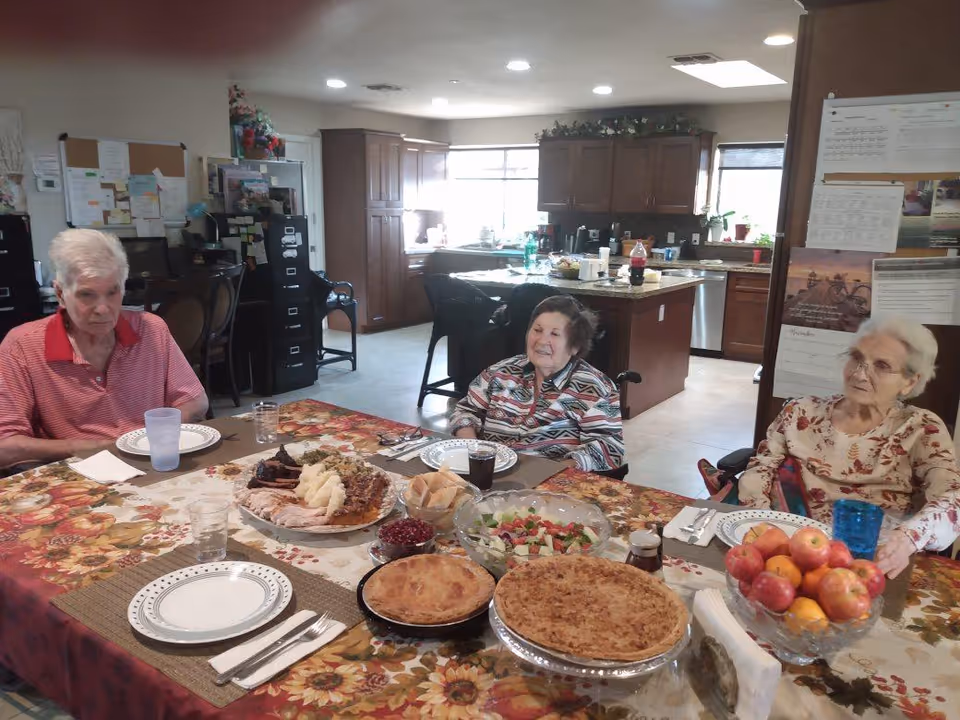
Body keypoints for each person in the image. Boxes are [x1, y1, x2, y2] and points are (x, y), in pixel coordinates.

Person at [739, 316, 960, 578]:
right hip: (787, 550)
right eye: (856, 357)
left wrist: (905, 540)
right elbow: (760, 469)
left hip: (869, 562)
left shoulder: (920, 428)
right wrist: (765, 530)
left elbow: (953, 499)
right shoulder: (800, 411)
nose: (859, 374)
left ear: (909, 382)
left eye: (881, 365)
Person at [0, 229, 208, 469]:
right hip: (76, 475)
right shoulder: (21, 346)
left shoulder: (152, 329)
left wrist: (145, 440)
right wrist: (80, 447)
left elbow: (195, 401)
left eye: (112, 292)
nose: (103, 309)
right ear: (60, 293)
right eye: (87, 295)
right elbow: (5, 446)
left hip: (152, 462)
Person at [449, 295, 624, 472]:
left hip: (552, 485)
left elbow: (608, 448)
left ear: (574, 346)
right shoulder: (501, 373)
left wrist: (553, 472)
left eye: (554, 334)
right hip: (490, 475)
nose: (541, 341)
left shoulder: (594, 388)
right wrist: (474, 451)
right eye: (537, 330)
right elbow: (466, 411)